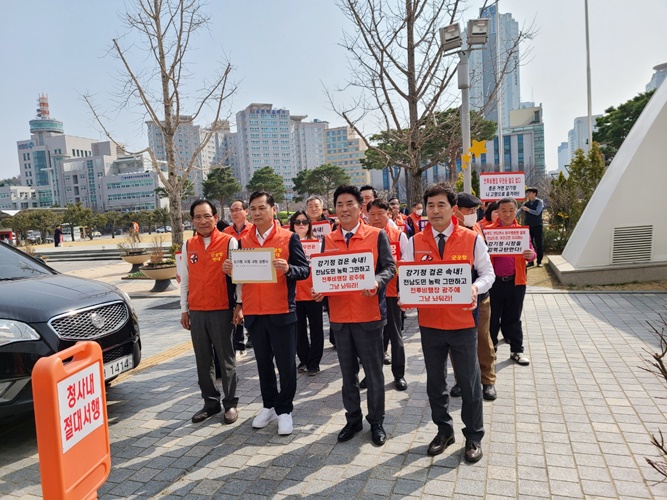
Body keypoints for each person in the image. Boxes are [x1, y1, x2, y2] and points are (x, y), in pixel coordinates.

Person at [404, 184, 495, 463]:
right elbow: (406, 277)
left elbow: (487, 273)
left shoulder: (470, 238)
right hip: (430, 324)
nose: (434, 211)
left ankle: (473, 437)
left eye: (441, 205)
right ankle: (444, 431)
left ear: (452, 209)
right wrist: (406, 297)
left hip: (463, 323)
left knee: (469, 382)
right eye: (430, 205)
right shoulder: (415, 242)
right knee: (435, 383)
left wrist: (475, 288)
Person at [313, 185, 396, 446]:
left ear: (361, 207)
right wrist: (320, 291)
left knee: (373, 374)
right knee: (347, 374)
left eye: (350, 203)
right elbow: (325, 274)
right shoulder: (327, 240)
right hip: (339, 317)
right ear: (334, 210)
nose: (344, 209)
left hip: (369, 315)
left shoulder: (376, 234)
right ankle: (352, 419)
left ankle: (377, 421)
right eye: (339, 204)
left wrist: (377, 281)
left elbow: (390, 266)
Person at [223, 191, 310, 436]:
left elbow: (304, 270)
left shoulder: (289, 237)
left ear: (274, 209)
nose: (257, 212)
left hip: (282, 311)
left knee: (285, 365)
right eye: (253, 208)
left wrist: (289, 268)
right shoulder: (243, 240)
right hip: (255, 313)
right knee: (262, 364)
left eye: (262, 208)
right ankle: (269, 404)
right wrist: (229, 269)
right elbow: (238, 278)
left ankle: (285, 410)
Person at [180, 199, 239, 425]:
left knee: (226, 359)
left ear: (216, 217)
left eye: (207, 216)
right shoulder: (188, 245)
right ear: (192, 220)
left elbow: (240, 278)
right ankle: (210, 403)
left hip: (222, 309)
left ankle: (231, 403)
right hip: (197, 311)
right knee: (203, 360)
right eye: (197, 217)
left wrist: (239, 305)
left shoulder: (229, 242)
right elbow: (185, 281)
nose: (202, 221)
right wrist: (185, 310)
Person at [448, 193, 497, 401]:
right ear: (456, 210)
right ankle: (462, 379)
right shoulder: (446, 233)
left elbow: (487, 270)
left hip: (479, 297)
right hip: (453, 301)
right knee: (456, 343)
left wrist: (476, 288)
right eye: (469, 211)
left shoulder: (476, 231)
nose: (473, 215)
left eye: (475, 211)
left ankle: (487, 381)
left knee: (483, 340)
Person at [488, 197, 536, 366]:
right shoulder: (488, 232)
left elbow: (531, 251)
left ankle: (517, 350)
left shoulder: (522, 232)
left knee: (514, 318)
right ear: (497, 212)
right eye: (503, 211)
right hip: (494, 283)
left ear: (516, 211)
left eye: (511, 211)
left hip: (516, 282)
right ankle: (490, 350)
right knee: (492, 319)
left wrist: (531, 255)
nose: (507, 214)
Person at [367, 199, 408, 391]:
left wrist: (405, 293)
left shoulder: (399, 236)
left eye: (380, 214)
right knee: (372, 339)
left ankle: (399, 375)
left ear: (389, 215)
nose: (376, 218)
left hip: (392, 294)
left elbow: (408, 266)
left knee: (395, 335)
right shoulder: (363, 236)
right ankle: (371, 375)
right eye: (372, 214)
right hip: (368, 295)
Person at [290, 211, 324, 376]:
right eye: (297, 222)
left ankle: (314, 362)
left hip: (313, 292)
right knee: (299, 329)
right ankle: (303, 359)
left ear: (310, 225)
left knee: (316, 328)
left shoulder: (318, 243)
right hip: (294, 294)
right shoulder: (286, 244)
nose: (301, 225)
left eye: (304, 221)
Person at [223, 200, 252, 355]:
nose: (234, 213)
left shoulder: (254, 230)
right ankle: (239, 344)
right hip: (233, 277)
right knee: (236, 306)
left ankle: (252, 335)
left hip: (252, 276)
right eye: (232, 210)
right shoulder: (225, 233)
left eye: (238, 210)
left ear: (246, 211)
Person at [521, 187, 544, 267]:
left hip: (537, 225)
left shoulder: (539, 202)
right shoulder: (525, 203)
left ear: (534, 193)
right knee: (529, 244)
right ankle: (531, 261)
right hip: (528, 226)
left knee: (539, 244)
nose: (528, 194)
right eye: (527, 193)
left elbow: (537, 212)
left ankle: (539, 261)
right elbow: (519, 211)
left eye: (529, 192)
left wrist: (528, 210)